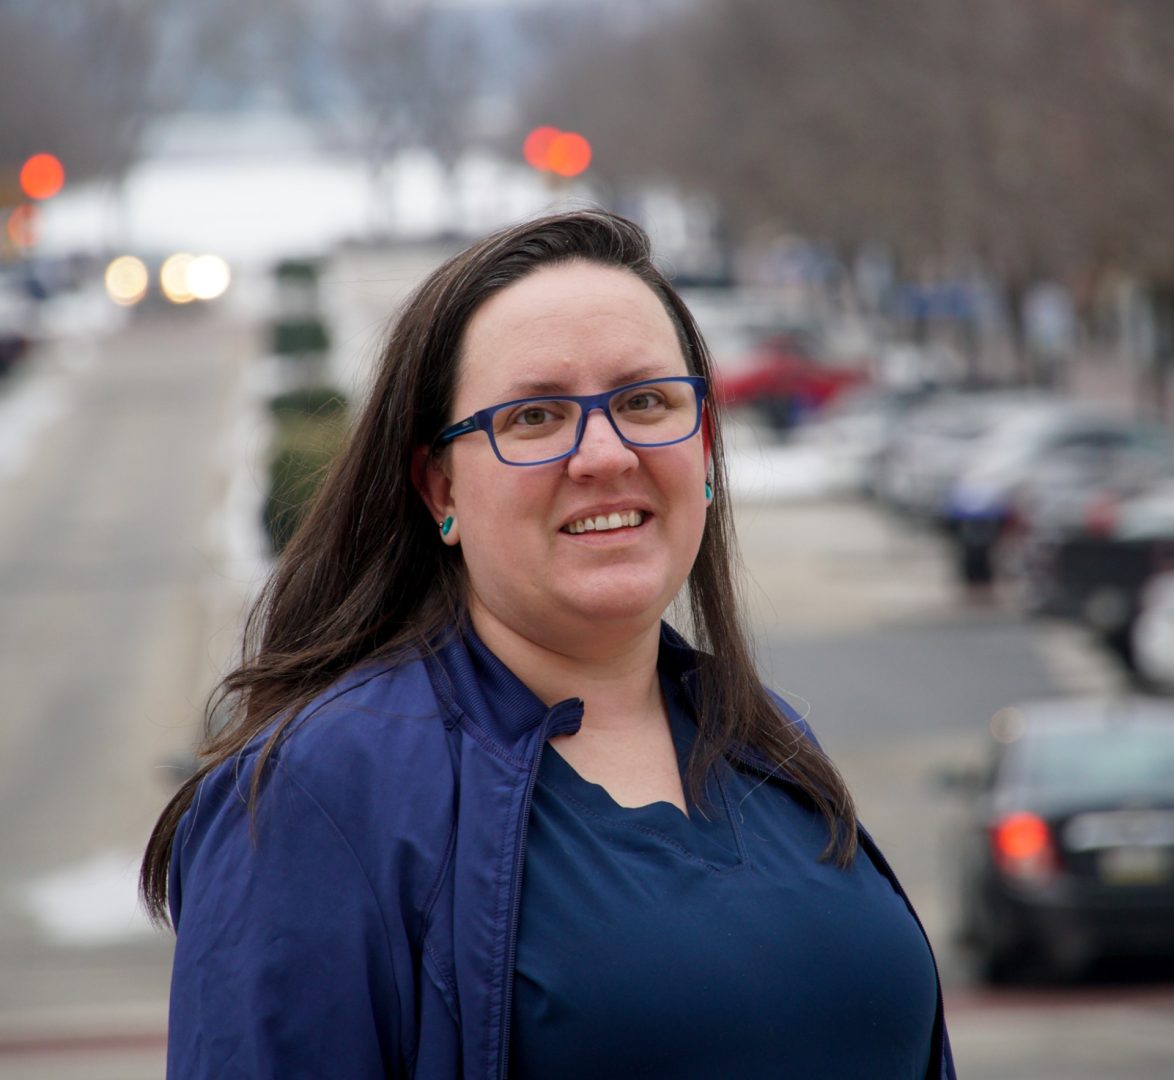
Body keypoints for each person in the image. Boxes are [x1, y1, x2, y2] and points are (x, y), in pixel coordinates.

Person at [142, 209, 955, 1079]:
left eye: (646, 402)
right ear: (439, 486)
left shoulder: (766, 742)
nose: (604, 455)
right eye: (534, 416)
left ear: (706, 448)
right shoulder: (316, 796)